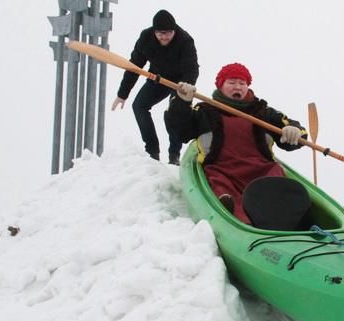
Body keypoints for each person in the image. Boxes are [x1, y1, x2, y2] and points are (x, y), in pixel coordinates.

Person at [165, 63, 307, 224]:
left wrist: (294, 130)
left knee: (275, 182)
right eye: (231, 82)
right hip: (222, 170)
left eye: (242, 83)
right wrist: (182, 103)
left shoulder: (264, 113)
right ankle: (232, 214)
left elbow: (294, 134)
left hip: (262, 169)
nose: (238, 87)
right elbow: (180, 132)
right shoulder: (205, 110)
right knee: (221, 185)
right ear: (221, 86)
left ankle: (287, 218)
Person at [111, 9, 199, 166]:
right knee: (139, 106)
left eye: (168, 33)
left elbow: (192, 68)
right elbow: (134, 66)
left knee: (175, 113)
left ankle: (174, 155)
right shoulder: (146, 38)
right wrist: (122, 94)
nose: (164, 37)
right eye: (160, 34)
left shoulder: (185, 41)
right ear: (154, 31)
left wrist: (187, 85)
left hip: (179, 83)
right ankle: (152, 151)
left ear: (174, 30)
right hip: (157, 78)